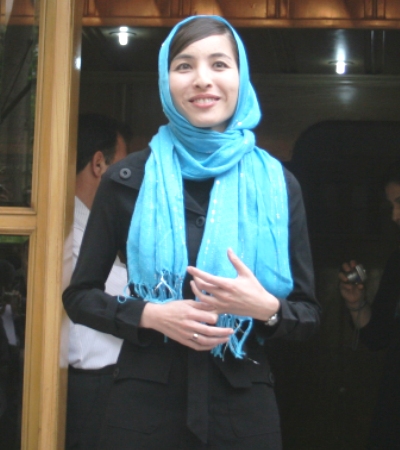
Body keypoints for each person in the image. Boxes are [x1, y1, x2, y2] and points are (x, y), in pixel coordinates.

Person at [63, 16, 320, 450]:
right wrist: (150, 315)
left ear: (241, 76)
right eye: (184, 65)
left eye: (219, 64)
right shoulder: (128, 179)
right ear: (166, 81)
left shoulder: (278, 185)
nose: (202, 79)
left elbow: (308, 315)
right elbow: (79, 296)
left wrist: (264, 308)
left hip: (243, 414)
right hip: (143, 414)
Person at [65, 113, 131, 449]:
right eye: (124, 167)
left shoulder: (89, 226)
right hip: (92, 387)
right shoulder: (69, 235)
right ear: (98, 164)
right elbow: (128, 299)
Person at [339, 160, 400, 450]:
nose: (396, 216)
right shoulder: (397, 262)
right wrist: (357, 303)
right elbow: (377, 337)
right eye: (392, 206)